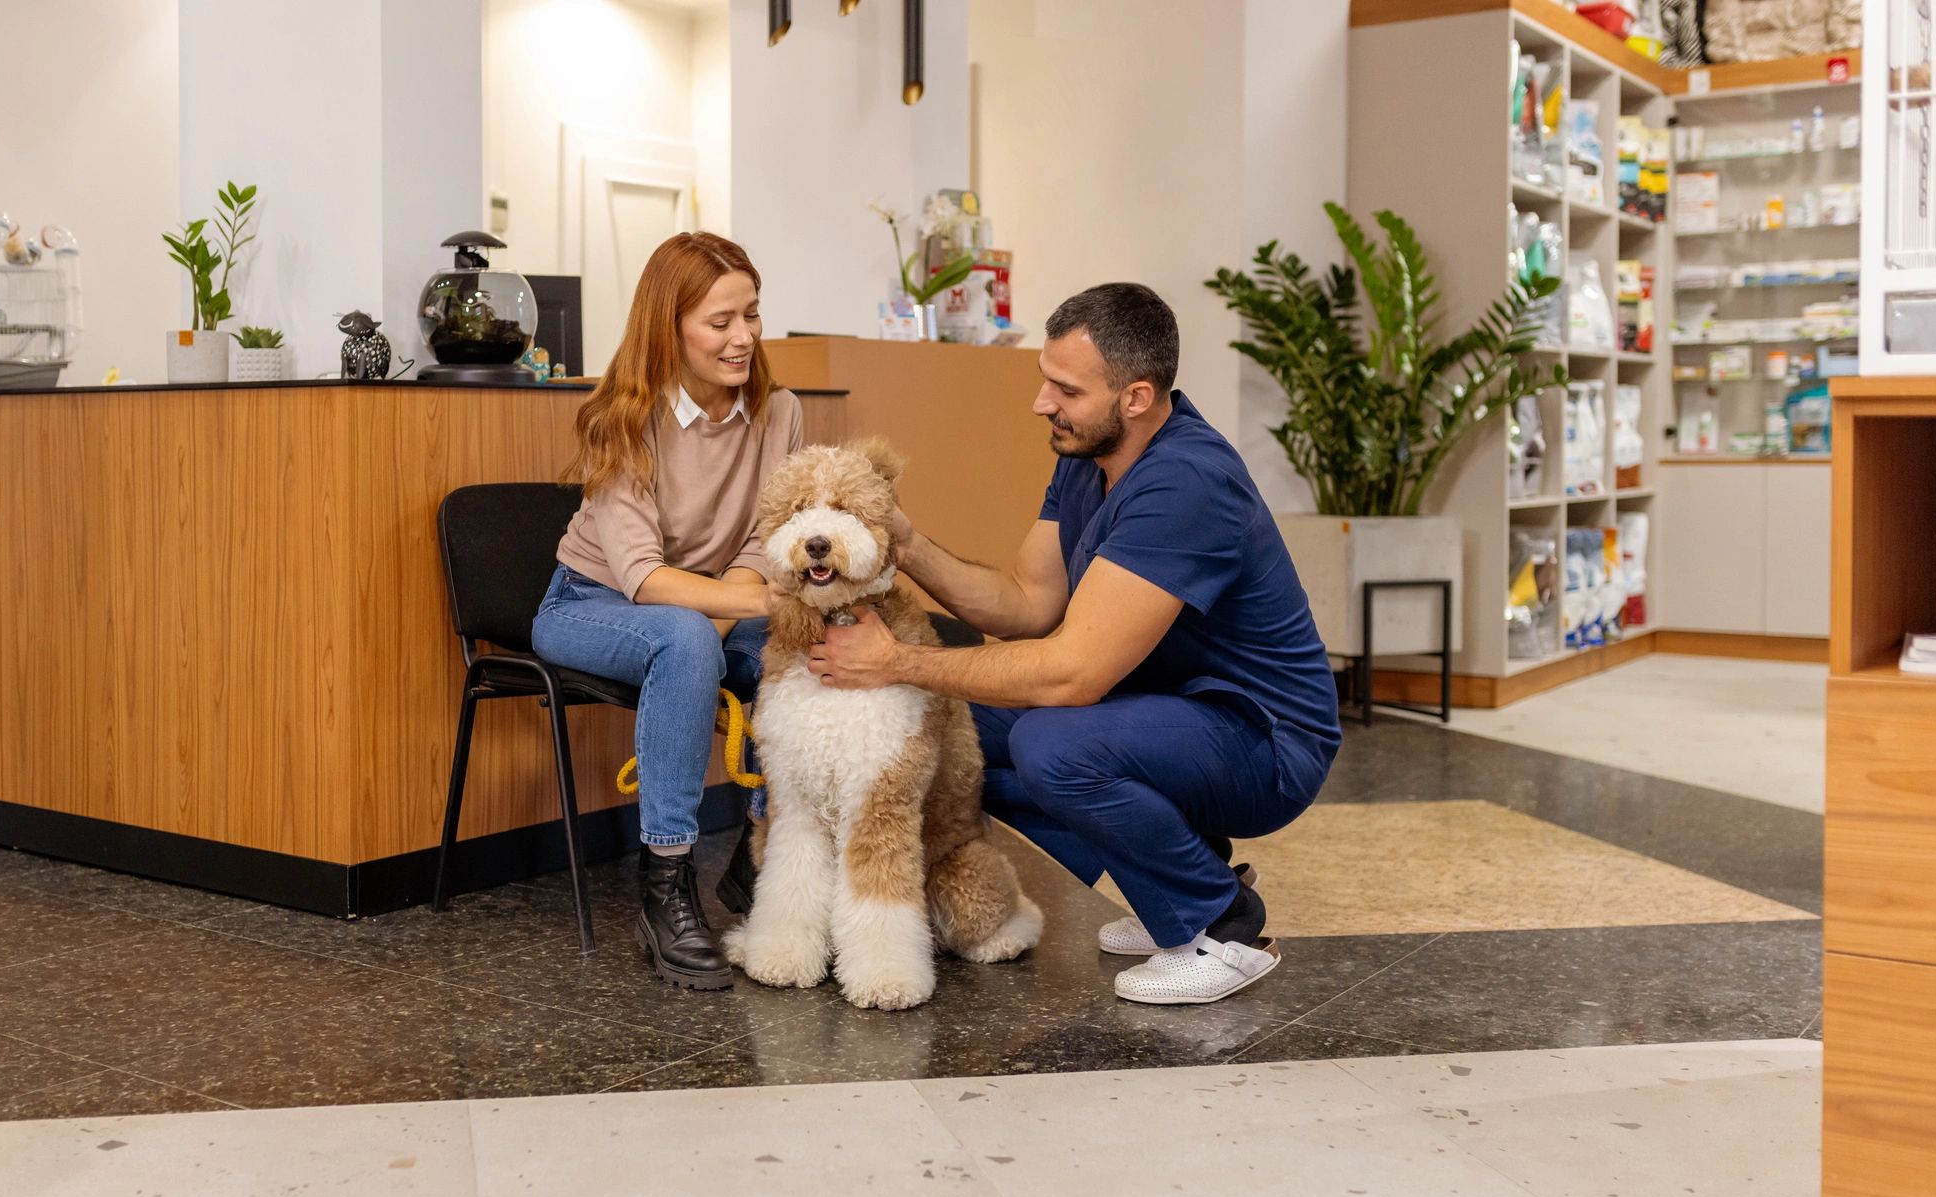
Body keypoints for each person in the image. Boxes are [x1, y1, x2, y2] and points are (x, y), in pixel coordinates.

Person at [808, 282, 1341, 1005]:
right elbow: (1027, 605)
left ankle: (1223, 926)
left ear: (1137, 397)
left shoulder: (1187, 482)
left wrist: (896, 662)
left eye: (1065, 388)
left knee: (1054, 746)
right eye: (1044, 380)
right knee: (949, 732)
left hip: (1266, 743)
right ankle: (1184, 883)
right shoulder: (1086, 456)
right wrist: (905, 544)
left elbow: (1071, 677)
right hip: (1171, 714)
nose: (1042, 403)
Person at [532, 232, 795, 993]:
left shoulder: (779, 413)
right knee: (684, 636)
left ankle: (766, 856)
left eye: (751, 314)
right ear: (669, 325)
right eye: (721, 321)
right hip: (589, 603)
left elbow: (759, 539)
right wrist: (732, 613)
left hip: (702, 607)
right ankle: (666, 884)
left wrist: (726, 621)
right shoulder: (624, 417)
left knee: (814, 635)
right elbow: (643, 579)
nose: (743, 336)